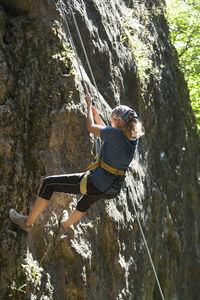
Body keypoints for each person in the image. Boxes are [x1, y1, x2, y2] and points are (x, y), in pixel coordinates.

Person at [9, 94, 144, 232]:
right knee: (86, 201)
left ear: (118, 121)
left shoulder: (114, 134)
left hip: (97, 182)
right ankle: (64, 225)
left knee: (49, 184)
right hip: (113, 188)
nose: (111, 123)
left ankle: (27, 223)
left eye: (113, 120)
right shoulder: (133, 139)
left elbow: (92, 127)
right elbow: (110, 137)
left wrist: (88, 105)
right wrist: (97, 116)